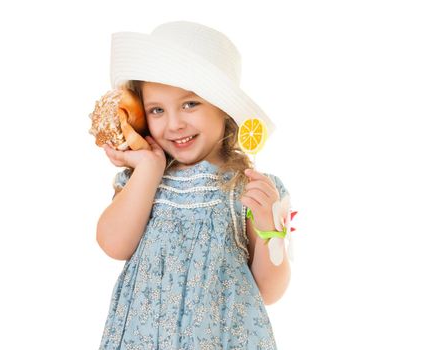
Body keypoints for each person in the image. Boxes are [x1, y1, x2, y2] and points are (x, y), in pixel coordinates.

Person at [96, 21, 292, 349]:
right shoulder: (143, 181)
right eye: (157, 110)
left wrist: (270, 228)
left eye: (190, 104)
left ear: (225, 109)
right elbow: (114, 244)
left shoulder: (249, 187)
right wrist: (149, 166)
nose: (174, 124)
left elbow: (270, 292)